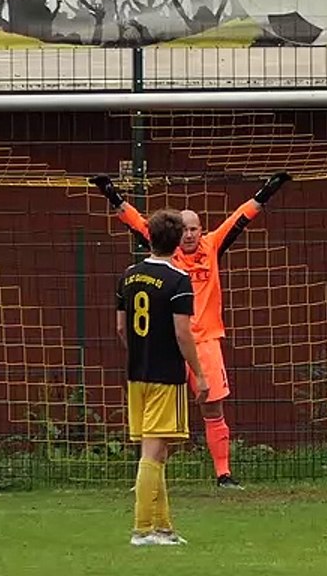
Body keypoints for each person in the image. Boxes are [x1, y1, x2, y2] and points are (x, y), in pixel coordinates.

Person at [91, 172, 291, 490]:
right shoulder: (165, 253)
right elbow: (136, 222)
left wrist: (267, 191)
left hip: (207, 341)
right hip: (170, 343)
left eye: (194, 228)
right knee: (161, 411)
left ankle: (223, 474)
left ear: (201, 229)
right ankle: (150, 476)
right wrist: (111, 194)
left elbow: (239, 218)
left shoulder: (212, 246)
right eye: (183, 229)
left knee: (212, 406)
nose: (189, 234)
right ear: (174, 233)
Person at [116, 209, 209, 546]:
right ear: (176, 243)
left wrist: (140, 352)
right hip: (165, 377)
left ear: (150, 238)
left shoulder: (128, 276)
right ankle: (142, 531)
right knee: (152, 454)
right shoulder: (178, 281)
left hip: (136, 375)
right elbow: (183, 334)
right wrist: (200, 374)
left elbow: (121, 328)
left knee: (158, 452)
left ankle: (164, 528)